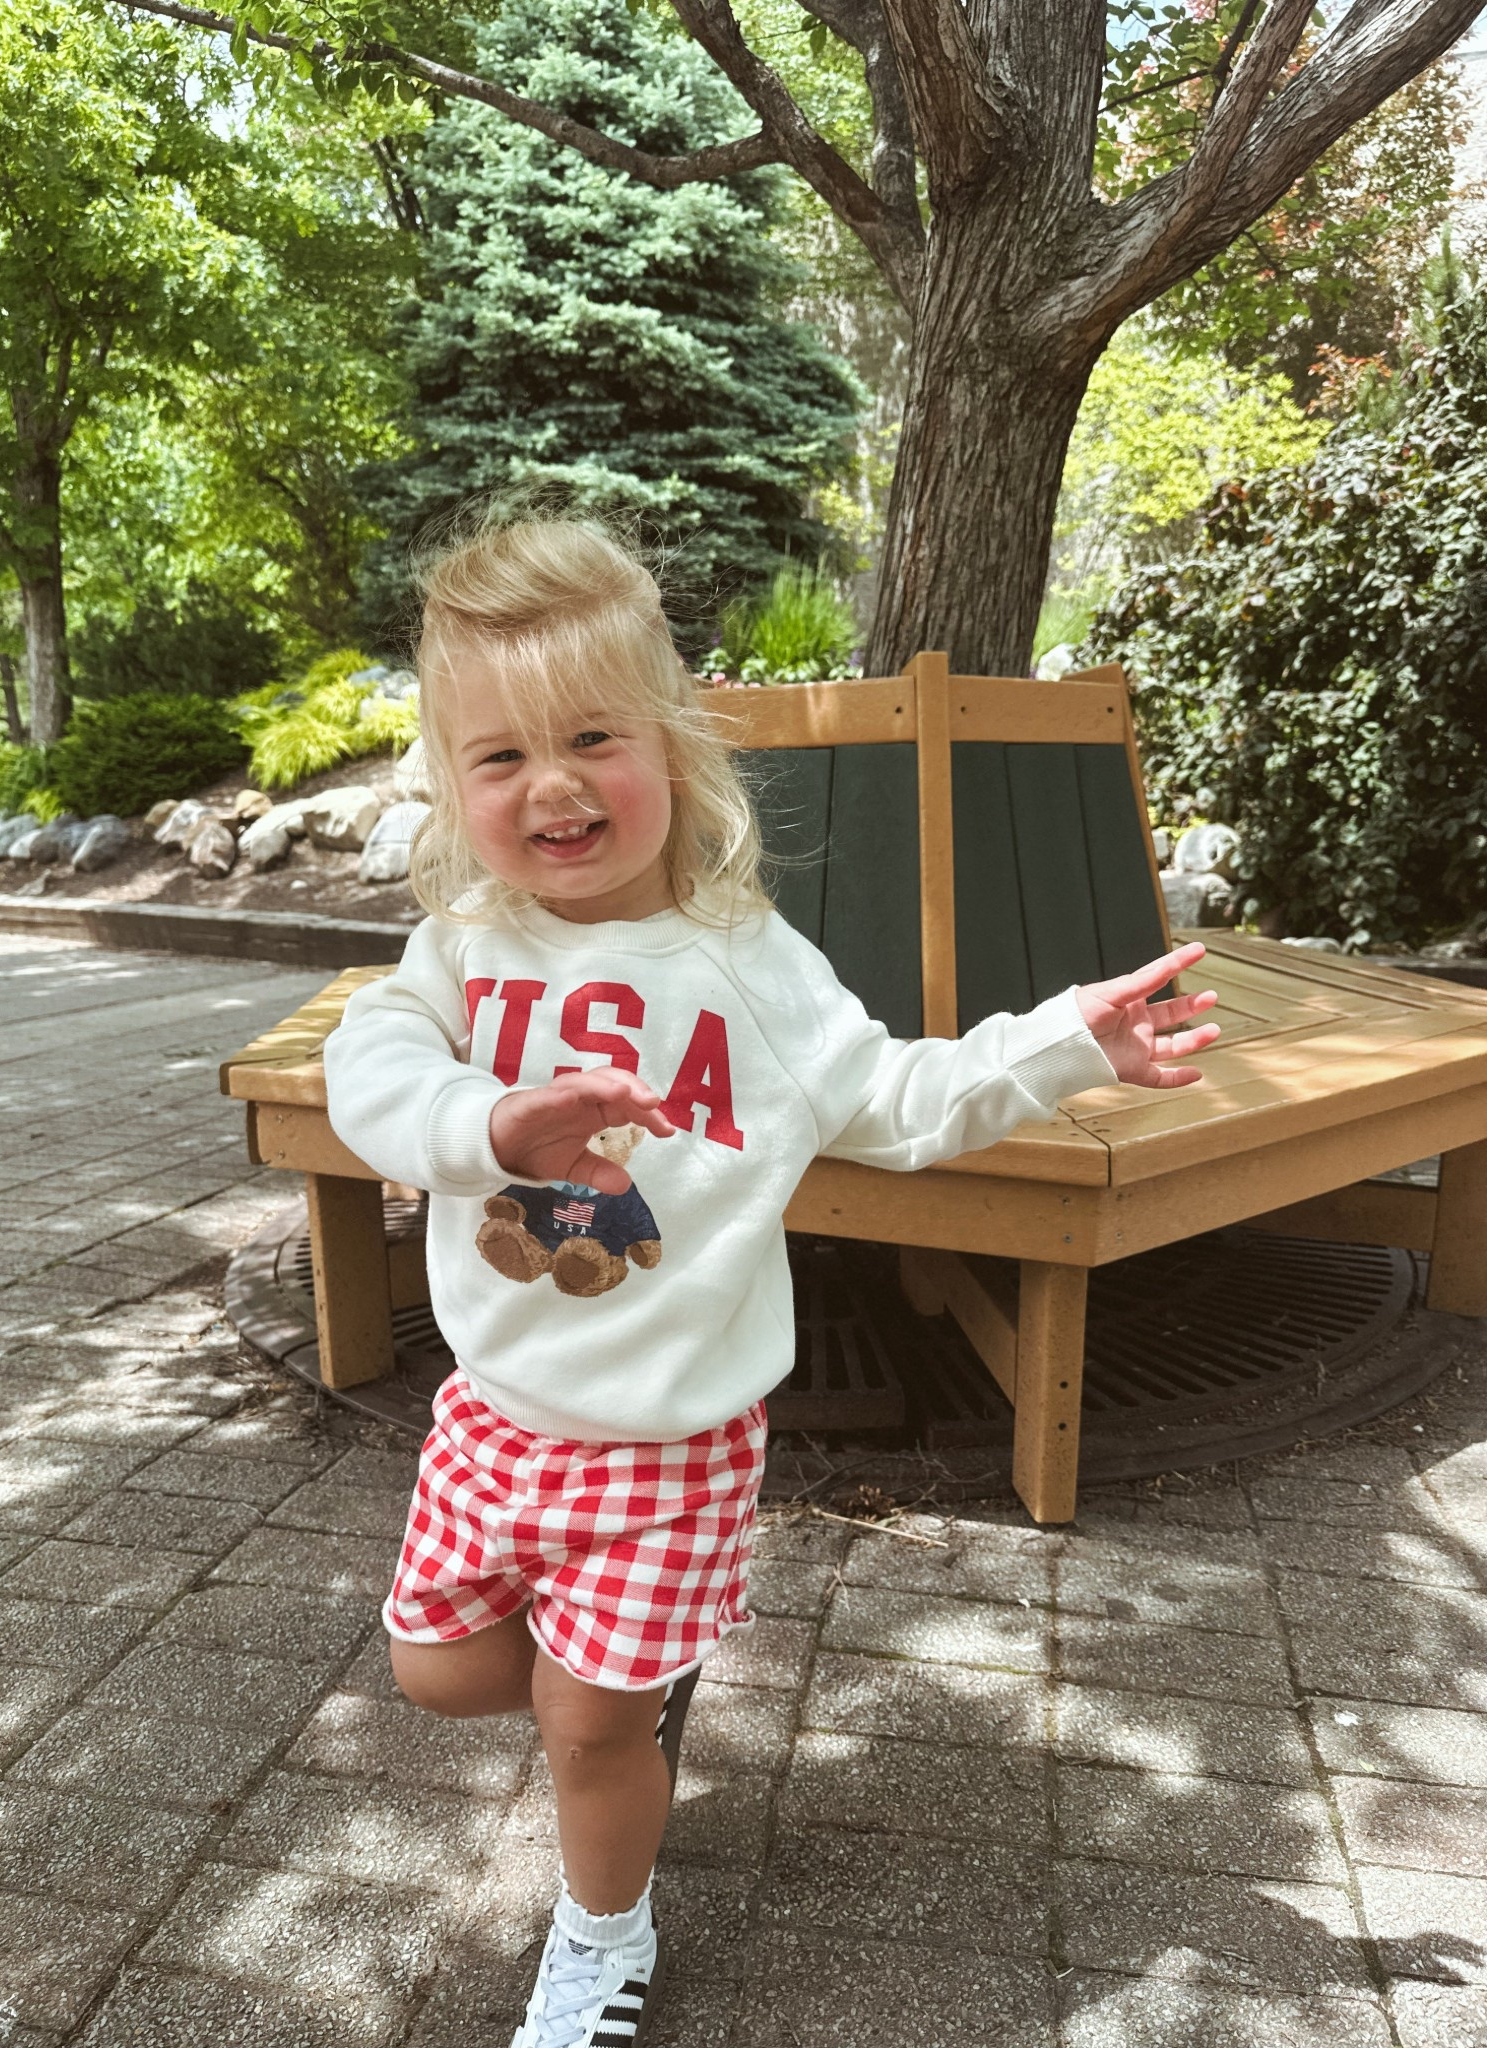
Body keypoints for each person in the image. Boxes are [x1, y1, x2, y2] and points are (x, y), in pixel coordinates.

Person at [322, 515, 1220, 2048]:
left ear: (672, 747)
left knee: (586, 1729)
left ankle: (603, 1932)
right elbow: (372, 1066)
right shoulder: (464, 949)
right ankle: (623, 1671)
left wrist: (1070, 1042)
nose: (551, 786)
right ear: (452, 784)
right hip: (495, 1414)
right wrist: (489, 1125)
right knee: (437, 1671)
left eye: (592, 739)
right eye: (501, 757)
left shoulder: (751, 968)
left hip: (671, 1439)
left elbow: (903, 1097)